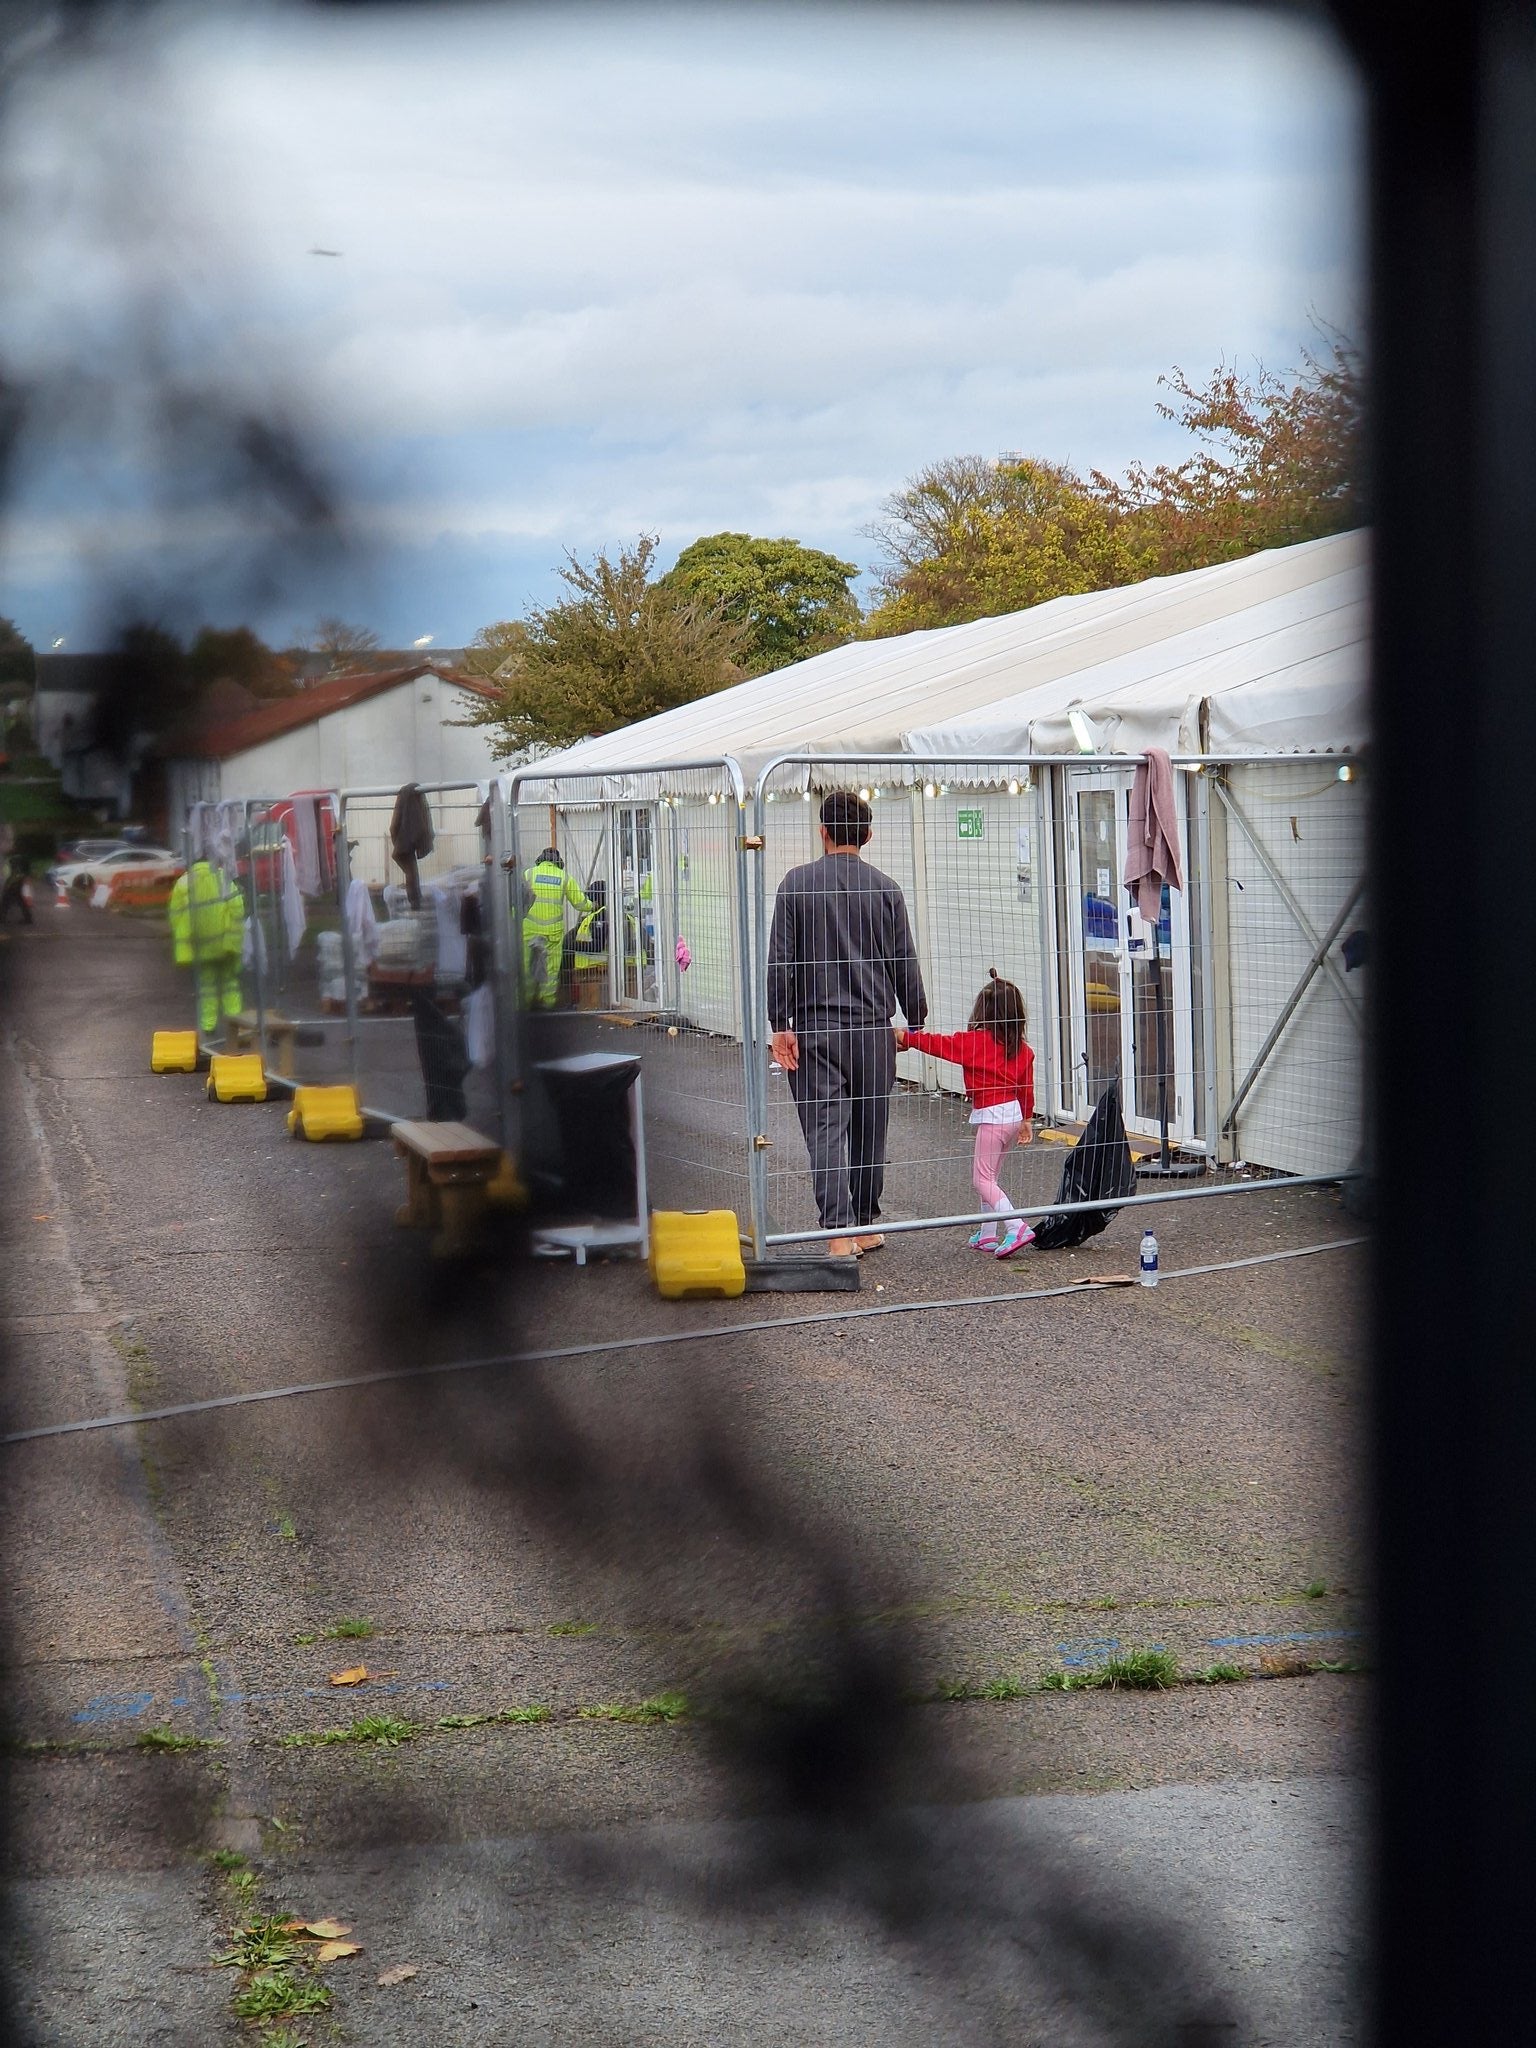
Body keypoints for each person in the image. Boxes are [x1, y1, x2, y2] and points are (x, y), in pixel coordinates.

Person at [767, 790, 927, 1258]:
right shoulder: (886, 889)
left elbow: (782, 961)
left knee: (826, 1129)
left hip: (817, 1029)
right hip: (874, 1029)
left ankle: (837, 1231)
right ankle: (861, 1222)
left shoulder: (795, 886)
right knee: (870, 1127)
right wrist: (914, 1016)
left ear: (823, 832)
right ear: (868, 835)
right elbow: (905, 961)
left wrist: (781, 1023)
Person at [898, 969, 1036, 1258]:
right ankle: (987, 1234)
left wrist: (906, 1038)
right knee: (990, 1179)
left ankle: (1017, 1226)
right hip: (1011, 1115)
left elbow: (939, 1044)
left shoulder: (975, 1042)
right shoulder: (1022, 1049)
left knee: (981, 1180)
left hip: (991, 1117)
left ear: (982, 1010)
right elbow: (1026, 1087)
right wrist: (1027, 1119)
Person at [168, 857, 244, 1038]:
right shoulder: (223, 878)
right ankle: (236, 1024)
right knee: (230, 984)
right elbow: (237, 907)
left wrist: (185, 939)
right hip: (224, 943)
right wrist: (234, 935)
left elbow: (176, 915)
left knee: (206, 986)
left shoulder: (183, 882)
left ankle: (209, 1025)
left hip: (200, 945)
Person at [522, 847, 592, 1009]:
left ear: (541, 859)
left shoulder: (529, 874)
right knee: (551, 968)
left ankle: (525, 1002)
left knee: (527, 965)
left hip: (529, 930)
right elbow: (580, 903)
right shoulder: (564, 877)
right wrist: (592, 905)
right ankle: (547, 1002)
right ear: (558, 862)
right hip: (552, 932)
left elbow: (517, 899)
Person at [0, 850, 34, 926]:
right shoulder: (24, 858)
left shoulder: (11, 860)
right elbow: (27, 870)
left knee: (5, 901)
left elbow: (9, 873)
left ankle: (2, 918)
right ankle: (28, 918)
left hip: (14, 882)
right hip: (20, 881)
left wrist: (8, 884)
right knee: (20, 900)